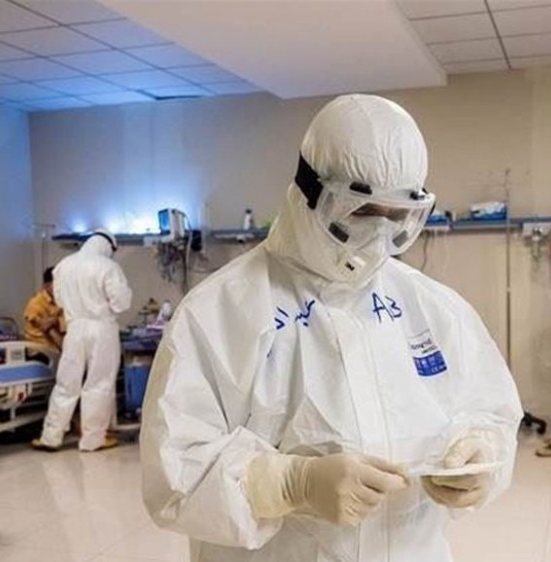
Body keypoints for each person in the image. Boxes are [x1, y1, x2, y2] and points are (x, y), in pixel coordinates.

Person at [140, 94, 522, 562]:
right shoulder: (218, 313)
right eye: (361, 212)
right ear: (310, 193)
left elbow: (491, 412)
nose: (379, 235)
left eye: (397, 216)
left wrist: (479, 456)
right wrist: (287, 484)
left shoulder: (432, 307)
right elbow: (174, 478)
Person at [32, 230, 132, 452]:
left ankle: (51, 437)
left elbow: (58, 300)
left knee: (66, 383)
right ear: (108, 246)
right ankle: (92, 440)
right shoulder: (108, 267)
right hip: (102, 329)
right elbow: (121, 303)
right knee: (99, 384)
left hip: (74, 328)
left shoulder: (63, 265)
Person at [23, 267, 65, 352]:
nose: (61, 287)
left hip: (55, 350)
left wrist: (56, 321)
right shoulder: (36, 304)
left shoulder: (61, 301)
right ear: (46, 285)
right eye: (57, 284)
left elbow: (65, 326)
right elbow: (49, 329)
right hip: (39, 351)